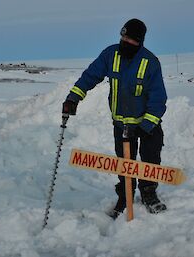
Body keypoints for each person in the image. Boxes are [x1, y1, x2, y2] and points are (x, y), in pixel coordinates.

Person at [62, 18, 167, 219]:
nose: (125, 41)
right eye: (123, 37)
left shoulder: (150, 62)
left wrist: (145, 126)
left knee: (150, 161)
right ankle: (125, 196)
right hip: (121, 125)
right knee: (124, 162)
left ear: (140, 41)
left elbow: (158, 97)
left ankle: (149, 194)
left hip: (147, 126)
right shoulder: (111, 54)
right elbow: (90, 76)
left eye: (130, 39)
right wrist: (73, 98)